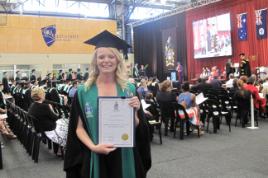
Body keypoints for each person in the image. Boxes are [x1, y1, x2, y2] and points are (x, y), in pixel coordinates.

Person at [64, 30, 151, 178]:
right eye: (101, 56)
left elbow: (135, 125)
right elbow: (78, 128)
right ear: (95, 61)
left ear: (118, 60)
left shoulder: (128, 89)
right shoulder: (83, 92)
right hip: (96, 152)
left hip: (124, 154)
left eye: (111, 56)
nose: (106, 60)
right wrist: (93, 147)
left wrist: (136, 112)